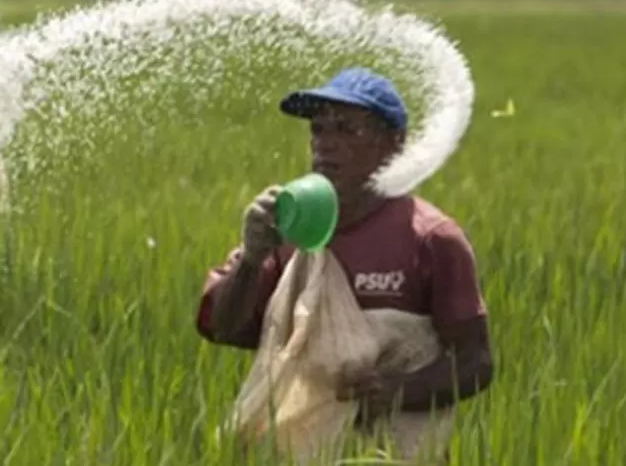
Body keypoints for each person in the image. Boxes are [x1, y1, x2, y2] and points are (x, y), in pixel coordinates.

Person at [196, 67, 494, 429]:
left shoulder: (431, 239)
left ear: (393, 144)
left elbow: (475, 363)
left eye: (348, 129)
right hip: (293, 461)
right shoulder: (287, 230)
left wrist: (398, 390)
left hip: (396, 464)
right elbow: (225, 329)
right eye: (318, 129)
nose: (326, 142)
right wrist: (251, 258)